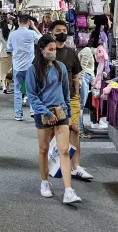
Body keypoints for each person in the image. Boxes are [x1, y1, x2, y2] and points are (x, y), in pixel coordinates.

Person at [25, 34, 82, 204]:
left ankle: (68, 191)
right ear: (41, 50)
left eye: (55, 49)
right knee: (43, 150)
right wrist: (47, 113)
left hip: (61, 113)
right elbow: (32, 96)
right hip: (43, 114)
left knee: (64, 151)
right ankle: (44, 183)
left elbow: (66, 93)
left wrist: (69, 115)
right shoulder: (32, 70)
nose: (53, 52)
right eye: (50, 49)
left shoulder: (61, 68)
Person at [51, 20, 93, 181]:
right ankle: (53, 163)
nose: (62, 32)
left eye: (64, 30)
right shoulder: (47, 51)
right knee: (53, 132)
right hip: (52, 100)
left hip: (71, 98)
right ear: (52, 33)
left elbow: (76, 75)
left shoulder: (71, 52)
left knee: (74, 130)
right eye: (58, 30)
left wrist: (76, 93)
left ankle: (76, 166)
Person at [7, 14, 40, 121]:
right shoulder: (31, 33)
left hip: (17, 66)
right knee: (32, 89)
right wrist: (34, 27)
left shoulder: (12, 34)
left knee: (17, 90)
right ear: (28, 22)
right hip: (30, 66)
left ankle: (18, 115)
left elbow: (9, 49)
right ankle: (33, 111)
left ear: (18, 22)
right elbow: (44, 40)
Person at [77, 33, 96, 135]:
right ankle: (79, 129)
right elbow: (83, 67)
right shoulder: (87, 51)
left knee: (81, 105)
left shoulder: (87, 51)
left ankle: (81, 127)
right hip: (83, 78)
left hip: (85, 78)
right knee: (80, 105)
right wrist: (80, 80)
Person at [0, 13, 14, 94]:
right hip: (9, 53)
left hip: (1, 54)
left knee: (2, 71)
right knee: (9, 71)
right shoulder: (10, 32)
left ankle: (4, 86)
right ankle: (8, 85)